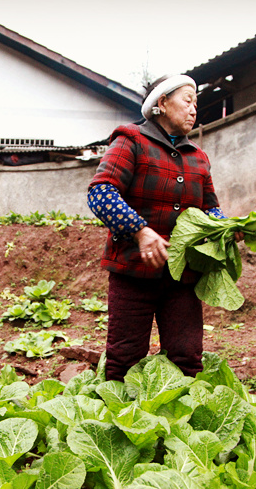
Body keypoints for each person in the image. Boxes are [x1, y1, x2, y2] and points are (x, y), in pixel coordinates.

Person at [87, 74, 238, 382]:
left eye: (196, 102)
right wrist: (139, 230)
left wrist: (228, 227)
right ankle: (120, 422)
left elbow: (210, 208)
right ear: (162, 103)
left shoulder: (198, 157)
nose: (194, 109)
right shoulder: (130, 140)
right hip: (132, 271)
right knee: (124, 358)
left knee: (187, 357)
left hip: (181, 274)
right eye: (187, 100)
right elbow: (100, 192)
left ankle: (180, 423)